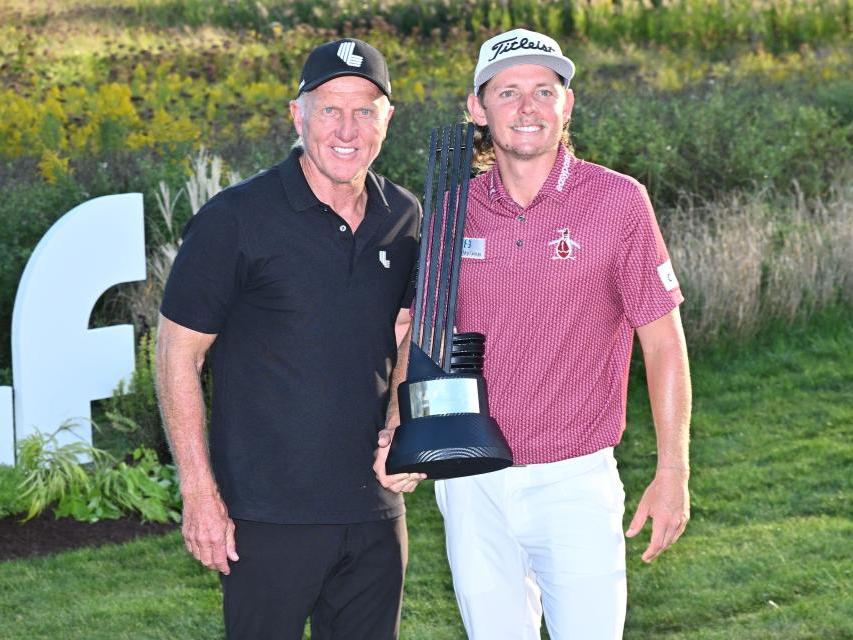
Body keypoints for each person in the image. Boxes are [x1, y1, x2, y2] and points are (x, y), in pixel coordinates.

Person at [375, 28, 692, 639]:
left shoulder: (619, 202)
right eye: (507, 91)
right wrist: (400, 426)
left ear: (566, 104)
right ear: (477, 108)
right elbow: (419, 334)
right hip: (470, 484)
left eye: (544, 91)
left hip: (575, 479)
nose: (527, 107)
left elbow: (663, 340)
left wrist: (673, 470)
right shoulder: (450, 210)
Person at [156, 38, 423, 640]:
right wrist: (199, 493)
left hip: (375, 511)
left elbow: (408, 330)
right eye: (330, 108)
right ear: (296, 115)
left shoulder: (403, 215)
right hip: (264, 515)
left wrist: (402, 423)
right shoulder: (236, 219)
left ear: (387, 120)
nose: (347, 128)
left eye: (365, 110)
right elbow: (178, 354)